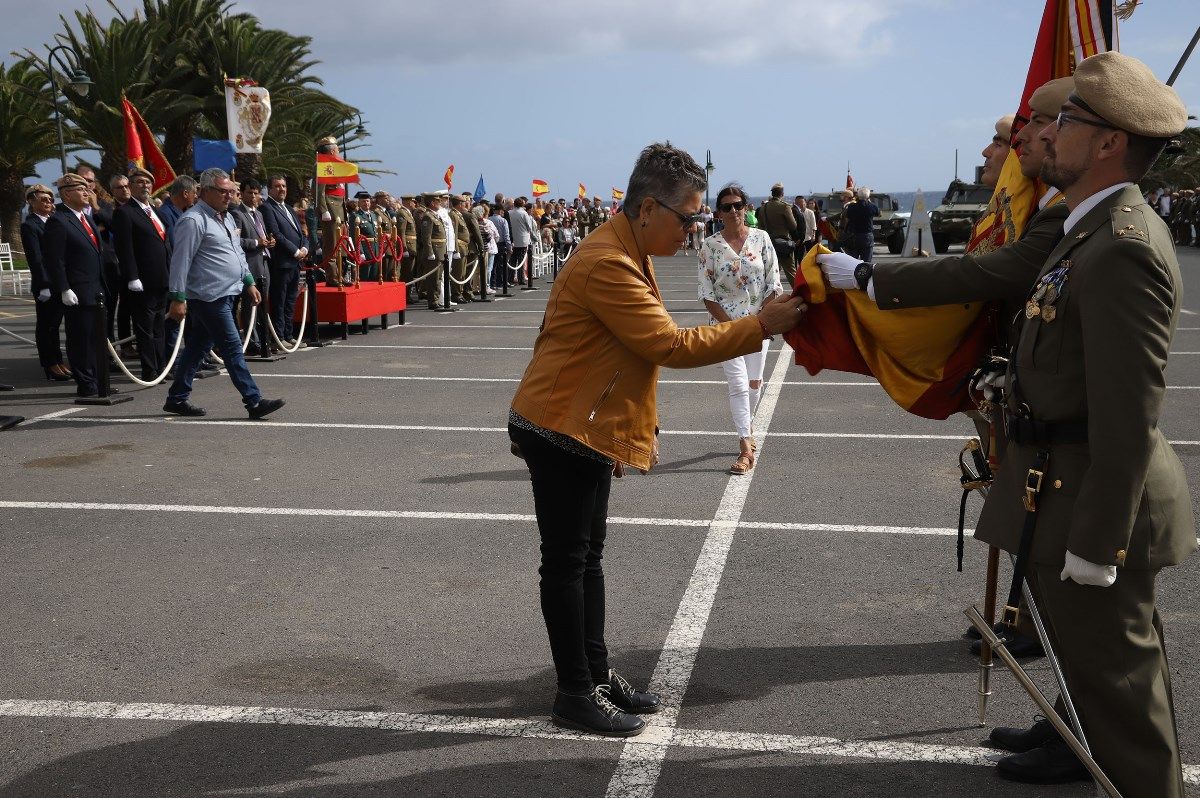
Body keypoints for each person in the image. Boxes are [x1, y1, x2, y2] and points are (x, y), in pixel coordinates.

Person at [508, 143, 806, 738]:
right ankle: (574, 691)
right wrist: (759, 326)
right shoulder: (610, 262)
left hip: (583, 424)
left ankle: (594, 673)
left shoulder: (627, 246)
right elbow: (668, 345)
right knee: (567, 564)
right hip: (560, 426)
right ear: (648, 209)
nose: (694, 228)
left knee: (586, 560)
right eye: (688, 216)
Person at [821, 82, 1076, 661]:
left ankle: (1038, 629)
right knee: (1025, 518)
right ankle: (1027, 619)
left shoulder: (1060, 219)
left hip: (1051, 410)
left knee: (1043, 524)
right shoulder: (1038, 213)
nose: (999, 151)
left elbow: (993, 277)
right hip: (1017, 391)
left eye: (1007, 138)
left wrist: (870, 278)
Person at [163, 168, 284, 420]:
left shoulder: (226, 218)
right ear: (205, 191)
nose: (229, 195)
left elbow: (237, 253)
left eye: (231, 191)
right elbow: (180, 260)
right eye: (223, 191)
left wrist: (248, 280)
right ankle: (253, 400)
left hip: (228, 292)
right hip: (208, 296)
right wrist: (177, 297)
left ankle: (176, 397)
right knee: (231, 347)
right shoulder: (193, 220)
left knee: (196, 347)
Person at [697, 183, 782, 474]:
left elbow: (774, 283)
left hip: (759, 324)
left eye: (737, 205)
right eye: (726, 206)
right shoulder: (710, 246)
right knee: (737, 383)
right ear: (718, 213)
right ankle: (745, 446)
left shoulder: (762, 239)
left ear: (746, 208)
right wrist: (732, 326)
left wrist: (758, 322)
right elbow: (707, 293)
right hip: (726, 327)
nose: (733, 211)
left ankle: (748, 428)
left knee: (754, 383)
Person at [41, 174, 107, 397]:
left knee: (95, 339)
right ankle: (86, 383)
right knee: (81, 340)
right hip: (77, 290)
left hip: (95, 288)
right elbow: (54, 259)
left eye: (86, 188)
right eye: (81, 189)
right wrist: (64, 288)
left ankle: (99, 381)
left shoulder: (84, 218)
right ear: (67, 193)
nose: (87, 192)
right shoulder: (59, 220)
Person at [111, 167, 172, 381]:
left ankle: (161, 367)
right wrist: (132, 276)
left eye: (147, 182)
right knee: (145, 329)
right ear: (130, 186)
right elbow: (124, 248)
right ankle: (149, 369)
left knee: (159, 327)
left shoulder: (154, 211)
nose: (144, 185)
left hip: (162, 278)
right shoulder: (125, 212)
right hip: (143, 280)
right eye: (138, 182)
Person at [20, 183, 71, 381]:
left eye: (50, 199)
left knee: (55, 325)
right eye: (43, 199)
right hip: (46, 284)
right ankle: (50, 364)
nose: (48, 202)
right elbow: (36, 257)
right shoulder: (30, 225)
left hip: (59, 281)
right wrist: (43, 284)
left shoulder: (53, 221)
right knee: (46, 326)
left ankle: (58, 361)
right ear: (31, 202)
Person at [260, 175, 308, 345]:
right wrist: (295, 251)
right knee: (279, 301)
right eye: (277, 186)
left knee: (290, 301)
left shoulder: (288, 207)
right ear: (270, 189)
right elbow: (276, 234)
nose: (282, 189)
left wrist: (304, 248)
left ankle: (289, 335)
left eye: (284, 186)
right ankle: (279, 338)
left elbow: (302, 233)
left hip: (295, 263)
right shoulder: (267, 208)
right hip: (282, 263)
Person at [229, 180, 273, 356]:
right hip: (248, 264)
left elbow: (262, 236)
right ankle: (251, 340)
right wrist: (256, 242)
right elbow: (235, 241)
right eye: (250, 193)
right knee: (249, 304)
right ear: (243, 194)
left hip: (263, 262)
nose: (253, 196)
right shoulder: (237, 214)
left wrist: (268, 242)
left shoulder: (259, 214)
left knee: (263, 303)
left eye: (256, 193)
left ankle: (263, 337)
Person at [315, 136, 348, 286]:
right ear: (332, 150)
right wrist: (323, 210)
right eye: (337, 149)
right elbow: (318, 190)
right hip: (330, 209)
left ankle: (340, 275)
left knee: (340, 246)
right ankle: (332, 277)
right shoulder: (322, 164)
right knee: (331, 245)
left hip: (339, 209)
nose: (339, 151)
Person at [757, 182, 799, 284]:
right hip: (783, 243)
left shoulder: (763, 208)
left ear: (772, 194)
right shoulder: (784, 207)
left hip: (768, 243)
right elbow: (793, 226)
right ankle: (799, 294)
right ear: (782, 194)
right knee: (791, 272)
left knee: (770, 272)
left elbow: (760, 227)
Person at [842, 186, 879, 262]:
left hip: (854, 236)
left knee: (853, 260)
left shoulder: (851, 207)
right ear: (868, 196)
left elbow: (847, 216)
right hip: (867, 235)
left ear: (858, 196)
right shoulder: (871, 206)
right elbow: (878, 213)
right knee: (867, 260)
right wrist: (869, 201)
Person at [508, 197, 537, 287]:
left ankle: (510, 277)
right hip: (523, 239)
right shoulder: (524, 213)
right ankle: (521, 279)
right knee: (521, 260)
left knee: (513, 260)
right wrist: (534, 237)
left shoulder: (509, 213)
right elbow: (529, 227)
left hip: (513, 238)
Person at [488, 203, 511, 290]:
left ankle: (492, 283)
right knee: (501, 265)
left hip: (492, 243)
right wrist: (509, 246)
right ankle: (500, 282)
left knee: (492, 265)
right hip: (501, 244)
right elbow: (506, 235)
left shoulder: (489, 219)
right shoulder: (503, 220)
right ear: (500, 211)